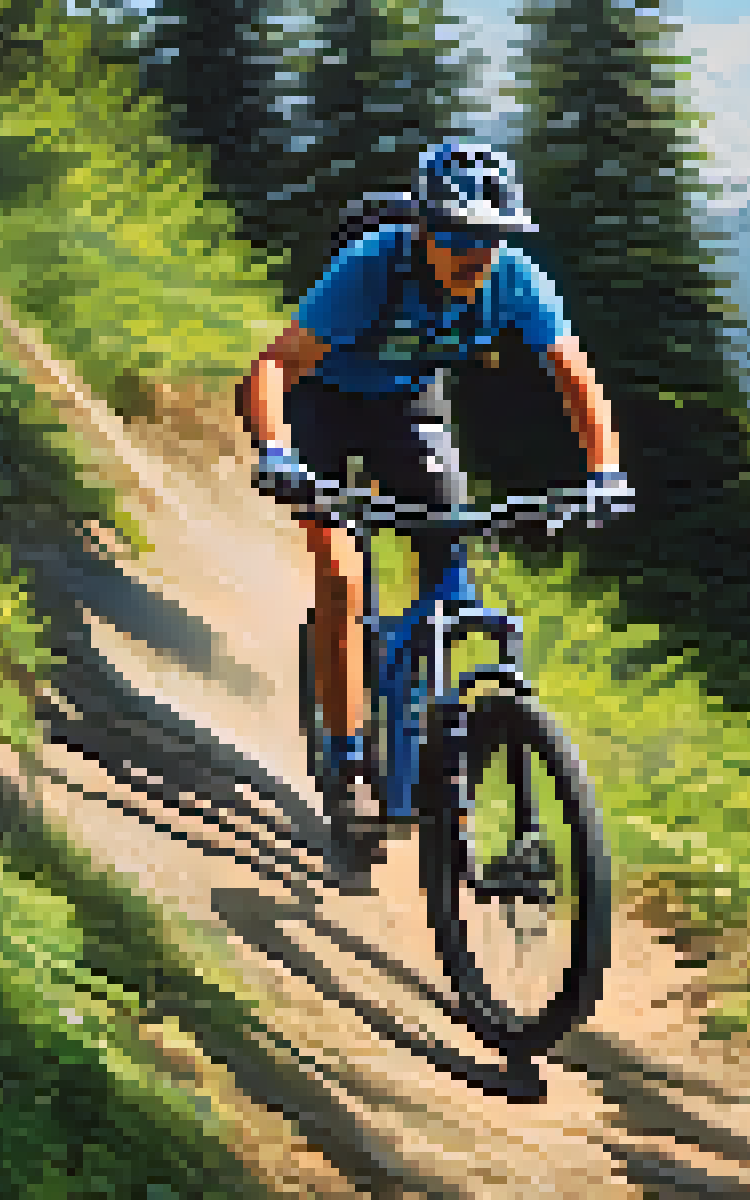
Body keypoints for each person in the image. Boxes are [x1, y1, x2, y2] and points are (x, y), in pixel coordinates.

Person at [239, 140, 632, 832]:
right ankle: (349, 759)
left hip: (409, 409)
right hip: (322, 406)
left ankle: (426, 721)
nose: (474, 255)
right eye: (456, 236)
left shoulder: (513, 277)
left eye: (491, 239)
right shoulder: (370, 268)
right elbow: (274, 366)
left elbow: (575, 377)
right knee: (343, 575)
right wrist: (278, 453)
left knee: (452, 564)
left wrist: (605, 471)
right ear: (423, 227)